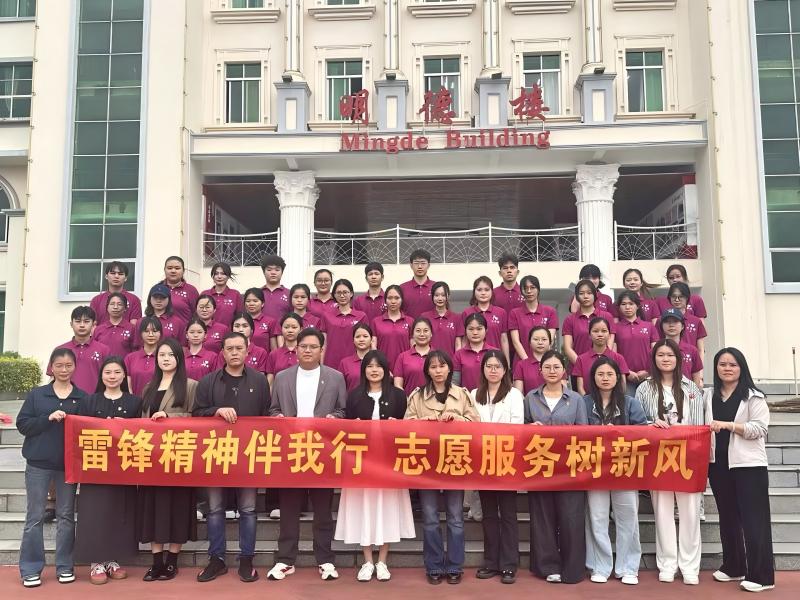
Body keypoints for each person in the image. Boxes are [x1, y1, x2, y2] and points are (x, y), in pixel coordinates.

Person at [268, 328, 347, 582]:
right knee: (289, 508)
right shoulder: (282, 378)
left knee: (323, 510)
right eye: (303, 346)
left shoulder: (335, 378)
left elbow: (342, 411)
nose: (308, 350)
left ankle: (325, 560)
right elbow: (273, 409)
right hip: (292, 451)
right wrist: (278, 418)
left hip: (322, 452)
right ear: (296, 349)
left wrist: (333, 418)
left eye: (313, 346)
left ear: (322, 350)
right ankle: (285, 560)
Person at [193, 332, 271, 583]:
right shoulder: (208, 382)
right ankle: (216, 559)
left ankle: (246, 559)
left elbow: (266, 416)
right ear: (222, 353)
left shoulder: (259, 381)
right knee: (215, 509)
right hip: (216, 454)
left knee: (248, 509)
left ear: (248, 351)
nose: (235, 352)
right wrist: (216, 411)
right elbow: (196, 414)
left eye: (239, 348)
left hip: (248, 455)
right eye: (230, 348)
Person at [335, 350, 414, 582]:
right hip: (361, 463)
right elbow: (346, 428)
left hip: (389, 463)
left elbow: (408, 428)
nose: (374, 370)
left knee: (387, 507)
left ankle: (382, 561)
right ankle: (368, 561)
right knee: (364, 508)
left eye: (379, 366)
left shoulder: (399, 395)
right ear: (363, 370)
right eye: (369, 366)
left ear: (386, 370)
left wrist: (397, 426)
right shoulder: (354, 395)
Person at [405, 350, 479, 585]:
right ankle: (434, 565)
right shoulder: (417, 396)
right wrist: (424, 422)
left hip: (455, 462)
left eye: (442, 366)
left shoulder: (462, 394)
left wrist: (457, 419)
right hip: (427, 464)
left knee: (455, 517)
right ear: (427, 370)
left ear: (449, 369)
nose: (438, 371)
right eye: (433, 367)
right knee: (430, 517)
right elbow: (406, 425)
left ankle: (455, 565)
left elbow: (476, 423)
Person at [636, 339, 707, 585]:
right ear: (654, 359)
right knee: (663, 512)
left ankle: (690, 566)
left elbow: (699, 426)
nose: (665, 359)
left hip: (688, 457)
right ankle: (667, 563)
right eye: (661, 355)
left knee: (690, 514)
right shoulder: (644, 388)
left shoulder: (691, 388)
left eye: (670, 355)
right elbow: (638, 423)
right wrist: (651, 424)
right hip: (658, 457)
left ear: (678, 359)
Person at [706, 348, 775, 593]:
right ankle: (733, 566)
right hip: (718, 466)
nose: (727, 368)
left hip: (749, 466)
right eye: (722, 364)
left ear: (741, 368)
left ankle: (762, 576)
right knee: (728, 517)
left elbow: (760, 429)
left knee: (754, 520)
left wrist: (729, 426)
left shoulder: (754, 397)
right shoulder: (708, 396)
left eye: (732, 364)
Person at [17, 349, 86, 588]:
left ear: (74, 367)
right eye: (59, 365)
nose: (64, 370)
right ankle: (30, 568)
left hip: (68, 466)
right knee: (35, 516)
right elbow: (23, 425)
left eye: (68, 365)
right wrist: (47, 418)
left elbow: (89, 430)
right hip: (38, 464)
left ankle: (65, 566)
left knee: (66, 517)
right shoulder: (37, 395)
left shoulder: (82, 397)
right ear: (51, 367)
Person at [75, 357, 141, 585]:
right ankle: (95, 562)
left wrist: (127, 427)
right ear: (101, 375)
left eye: (117, 372)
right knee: (95, 512)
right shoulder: (89, 401)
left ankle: (113, 559)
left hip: (123, 467)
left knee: (119, 512)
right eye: (108, 372)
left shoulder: (135, 402)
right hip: (95, 466)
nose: (112, 376)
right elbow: (80, 431)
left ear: (124, 376)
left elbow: (143, 434)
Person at [524, 350, 588, 584]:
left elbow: (584, 432)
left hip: (570, 466)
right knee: (543, 518)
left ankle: (572, 568)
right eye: (547, 367)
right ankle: (547, 566)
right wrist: (530, 428)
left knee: (571, 518)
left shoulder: (576, 399)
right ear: (540, 370)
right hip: (540, 465)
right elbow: (522, 428)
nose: (552, 371)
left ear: (564, 371)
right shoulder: (530, 397)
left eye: (556, 367)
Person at [583, 357, 647, 585]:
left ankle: (628, 567)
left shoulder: (630, 403)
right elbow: (575, 432)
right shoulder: (584, 402)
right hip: (594, 468)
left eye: (610, 374)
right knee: (596, 517)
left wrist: (618, 433)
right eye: (600, 374)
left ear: (618, 377)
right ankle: (599, 566)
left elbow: (643, 433)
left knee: (627, 517)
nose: (605, 378)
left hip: (624, 468)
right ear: (593, 378)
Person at [139, 338, 199, 582]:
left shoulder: (190, 385)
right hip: (152, 458)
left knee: (177, 507)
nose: (165, 359)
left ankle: (172, 561)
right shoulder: (148, 387)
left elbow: (197, 420)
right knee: (153, 508)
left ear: (179, 358)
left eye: (170, 355)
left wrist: (170, 418)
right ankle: (156, 563)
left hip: (178, 457)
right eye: (161, 355)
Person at [471, 351, 524, 584]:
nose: (493, 370)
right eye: (489, 366)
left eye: (497, 366)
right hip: (483, 461)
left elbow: (517, 427)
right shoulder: (473, 394)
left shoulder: (514, 395)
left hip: (506, 460)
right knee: (489, 514)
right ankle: (491, 561)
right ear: (483, 369)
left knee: (508, 514)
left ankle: (509, 564)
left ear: (505, 370)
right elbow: (470, 426)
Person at [49, 306, 110, 393]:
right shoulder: (60, 350)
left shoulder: (104, 350)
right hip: (66, 398)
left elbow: (110, 377)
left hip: (95, 399)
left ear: (94, 324)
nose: (82, 325)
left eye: (86, 321)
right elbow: (52, 377)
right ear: (71, 324)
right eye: (78, 321)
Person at [614, 291, 660, 395]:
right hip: (625, 377)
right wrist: (626, 372)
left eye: (631, 304)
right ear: (619, 307)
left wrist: (648, 371)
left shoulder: (649, 326)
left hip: (648, 377)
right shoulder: (615, 328)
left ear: (638, 306)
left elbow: (657, 351)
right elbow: (614, 354)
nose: (627, 307)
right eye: (623, 304)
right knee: (628, 404)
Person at [562, 279, 614, 366]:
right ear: (577, 296)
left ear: (595, 295)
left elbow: (609, 344)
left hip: (603, 367)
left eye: (589, 293)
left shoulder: (607, 316)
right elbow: (567, 348)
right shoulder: (570, 320)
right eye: (581, 293)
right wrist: (582, 365)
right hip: (577, 368)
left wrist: (599, 365)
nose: (585, 296)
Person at [572, 317, 630, 396]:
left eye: (604, 331)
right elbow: (580, 388)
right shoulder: (581, 359)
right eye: (595, 331)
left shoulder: (618, 358)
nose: (600, 334)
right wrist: (588, 401)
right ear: (589, 335)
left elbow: (622, 386)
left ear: (609, 335)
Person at [508, 275, 558, 364]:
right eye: (525, 288)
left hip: (544, 362)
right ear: (521, 291)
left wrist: (541, 361)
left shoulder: (550, 311)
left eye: (532, 287)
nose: (529, 291)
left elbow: (550, 340)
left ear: (538, 289)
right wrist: (527, 363)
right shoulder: (514, 313)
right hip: (521, 362)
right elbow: (516, 342)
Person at [320, 279, 367, 369]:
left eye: (345, 292)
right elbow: (324, 343)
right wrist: (321, 366)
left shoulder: (361, 316)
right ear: (334, 295)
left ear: (351, 294)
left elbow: (366, 343)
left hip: (354, 363)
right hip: (331, 362)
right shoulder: (326, 315)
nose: (342, 296)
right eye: (338, 293)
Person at [462, 275, 509, 362]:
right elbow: (464, 340)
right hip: (472, 360)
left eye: (487, 290)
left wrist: (507, 362)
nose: (483, 293)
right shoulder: (467, 313)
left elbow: (504, 339)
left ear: (492, 291)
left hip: (495, 360)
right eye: (479, 290)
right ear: (474, 292)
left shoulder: (501, 312)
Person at [371, 284, 413, 368]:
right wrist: (382, 365)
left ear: (402, 299)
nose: (393, 301)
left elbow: (413, 347)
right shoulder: (376, 322)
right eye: (390, 298)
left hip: (405, 366)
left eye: (397, 298)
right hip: (382, 368)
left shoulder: (410, 321)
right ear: (385, 300)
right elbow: (373, 347)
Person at [660, 308, 704, 387]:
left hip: (687, 391)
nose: (671, 325)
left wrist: (694, 392)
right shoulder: (655, 350)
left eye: (675, 321)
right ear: (661, 326)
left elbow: (696, 376)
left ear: (683, 326)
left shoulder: (692, 350)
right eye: (667, 322)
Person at [89, 261, 142, 325]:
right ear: (106, 276)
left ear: (125, 278)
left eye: (120, 274)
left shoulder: (134, 300)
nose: (116, 276)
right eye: (113, 273)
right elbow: (92, 325)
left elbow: (134, 325)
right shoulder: (96, 300)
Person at [453, 313, 496, 391]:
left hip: (491, 397)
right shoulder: (459, 355)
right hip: (466, 397)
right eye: (471, 329)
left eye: (479, 329)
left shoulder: (495, 353)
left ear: (486, 330)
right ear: (465, 331)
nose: (475, 332)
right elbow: (455, 383)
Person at [393, 316, 433, 394]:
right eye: (418, 331)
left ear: (431, 333)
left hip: (433, 400)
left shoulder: (437, 356)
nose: (422, 334)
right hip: (408, 400)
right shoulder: (402, 357)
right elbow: (397, 384)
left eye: (425, 331)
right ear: (412, 334)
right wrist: (406, 398)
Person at [665, 282, 707, 355]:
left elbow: (700, 349)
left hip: (690, 359)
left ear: (687, 298)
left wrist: (700, 362)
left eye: (680, 296)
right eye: (674, 296)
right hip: (668, 359)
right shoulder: (662, 320)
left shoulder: (696, 321)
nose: (677, 300)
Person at [422, 281, 464, 356]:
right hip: (429, 360)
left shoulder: (457, 318)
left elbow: (458, 344)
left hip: (449, 361)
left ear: (448, 296)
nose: (440, 298)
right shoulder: (425, 317)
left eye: (443, 295)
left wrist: (456, 360)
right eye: (436, 295)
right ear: (432, 296)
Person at [125, 316, 163, 395]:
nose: (151, 335)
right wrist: (133, 400)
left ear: (160, 333)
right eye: (146, 331)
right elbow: (127, 385)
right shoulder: (130, 358)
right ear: (140, 333)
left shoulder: (165, 357)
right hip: (134, 400)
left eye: (155, 331)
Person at [201, 262, 243, 328]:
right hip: (207, 332)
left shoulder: (235, 294)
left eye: (223, 274)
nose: (219, 276)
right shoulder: (205, 294)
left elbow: (240, 317)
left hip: (229, 333)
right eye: (216, 274)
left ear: (228, 276)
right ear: (213, 276)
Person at [512, 326, 552, 394]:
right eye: (536, 339)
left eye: (544, 339)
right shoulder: (521, 365)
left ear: (550, 342)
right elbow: (518, 394)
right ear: (529, 342)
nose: (540, 342)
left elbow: (564, 391)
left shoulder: (557, 363)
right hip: (529, 400)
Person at [161, 256, 199, 325]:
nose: (173, 271)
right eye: (169, 268)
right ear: (164, 270)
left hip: (184, 331)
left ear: (183, 271)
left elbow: (197, 315)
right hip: (161, 331)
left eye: (177, 268)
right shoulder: (158, 289)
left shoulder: (191, 290)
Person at [267, 312, 302, 385]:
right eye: (286, 327)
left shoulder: (305, 352)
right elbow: (270, 382)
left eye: (294, 327)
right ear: (281, 329)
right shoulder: (274, 354)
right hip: (279, 391)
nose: (290, 330)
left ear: (301, 329)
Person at [400, 249, 435, 318]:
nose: (420, 266)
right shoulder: (402, 288)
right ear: (411, 265)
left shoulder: (436, 287)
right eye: (416, 263)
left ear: (428, 265)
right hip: (409, 325)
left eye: (423, 263)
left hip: (431, 325)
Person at [338, 323, 374, 390]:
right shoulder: (345, 363)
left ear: (371, 340)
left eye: (365, 336)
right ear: (353, 340)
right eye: (358, 337)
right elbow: (340, 388)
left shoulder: (378, 361)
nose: (361, 339)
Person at [243, 287, 277, 352]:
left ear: (263, 303)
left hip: (264, 358)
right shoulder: (239, 321)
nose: (251, 304)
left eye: (255, 301)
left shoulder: (270, 321)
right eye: (248, 301)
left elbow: (274, 349)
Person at [259, 254, 291, 320]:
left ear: (282, 272)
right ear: (264, 272)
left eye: (277, 270)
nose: (273, 272)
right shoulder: (257, 293)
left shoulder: (290, 294)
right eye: (269, 270)